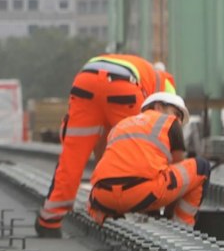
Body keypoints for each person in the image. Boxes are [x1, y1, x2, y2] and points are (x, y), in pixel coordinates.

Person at [36, 51, 176, 238]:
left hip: (86, 81)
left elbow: (102, 149)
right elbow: (165, 134)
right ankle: (128, 208)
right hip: (123, 88)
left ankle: (49, 221)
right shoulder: (167, 88)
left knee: (72, 160)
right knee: (138, 154)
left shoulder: (139, 66)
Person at [87, 92, 207, 227]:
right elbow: (178, 174)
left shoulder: (121, 125)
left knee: (153, 175)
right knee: (201, 168)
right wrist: (168, 213)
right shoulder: (169, 122)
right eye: (177, 114)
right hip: (139, 195)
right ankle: (181, 225)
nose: (178, 121)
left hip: (102, 198)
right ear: (158, 107)